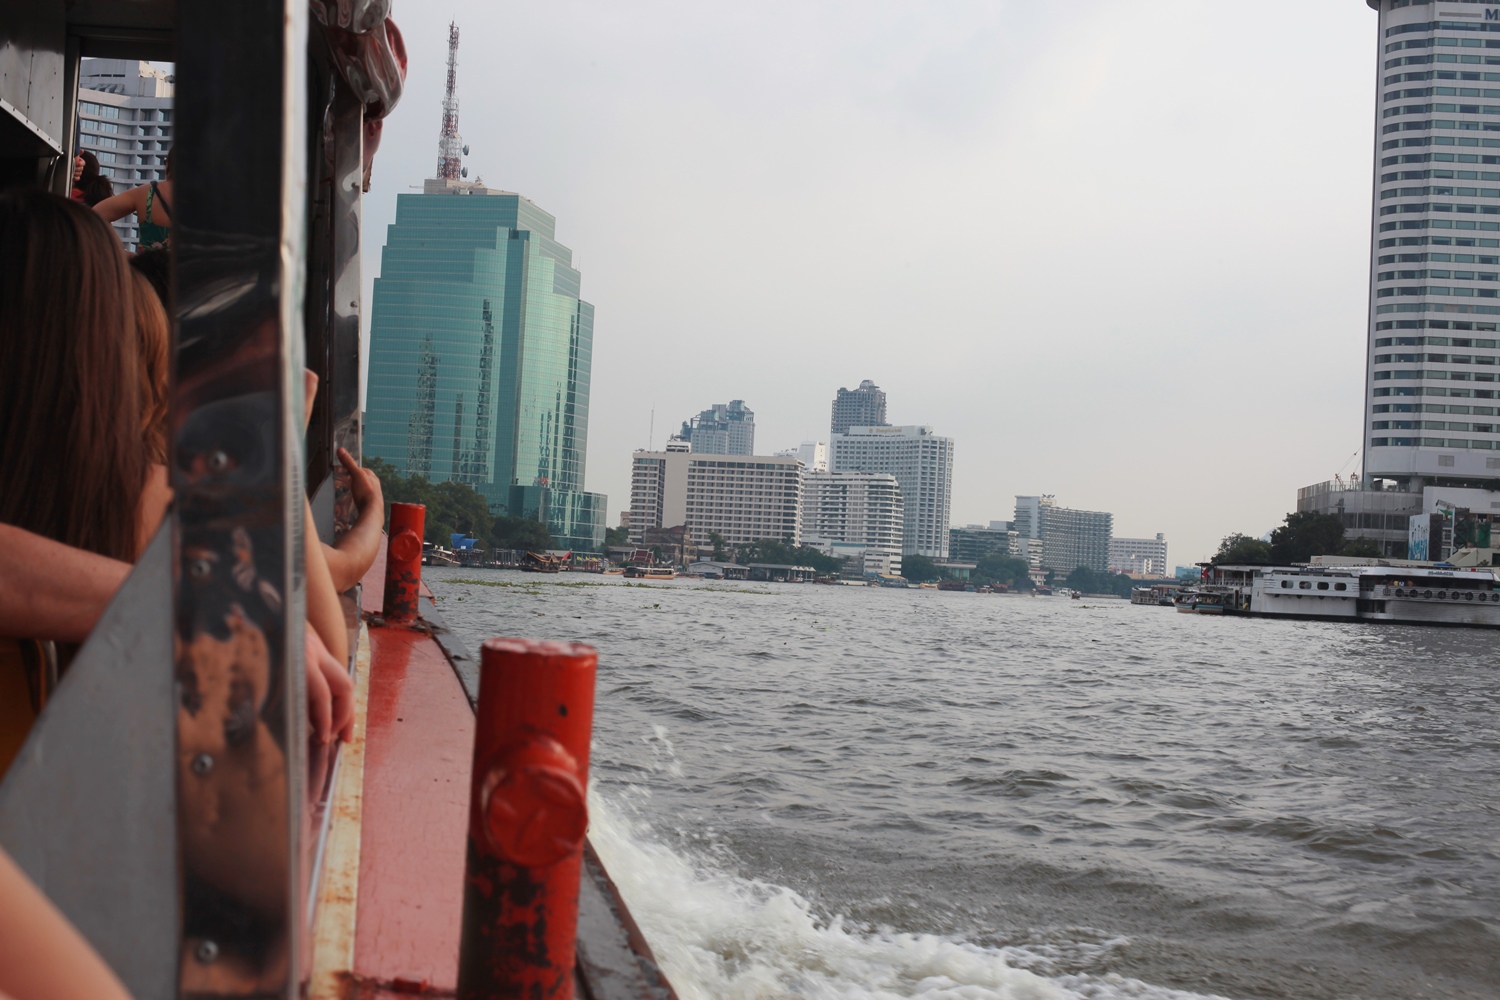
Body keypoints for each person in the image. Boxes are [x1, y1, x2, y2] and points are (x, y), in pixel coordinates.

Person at [91, 149, 172, 250]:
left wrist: (121, 252)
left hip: (150, 261)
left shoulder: (148, 193)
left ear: (168, 164)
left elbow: (94, 216)